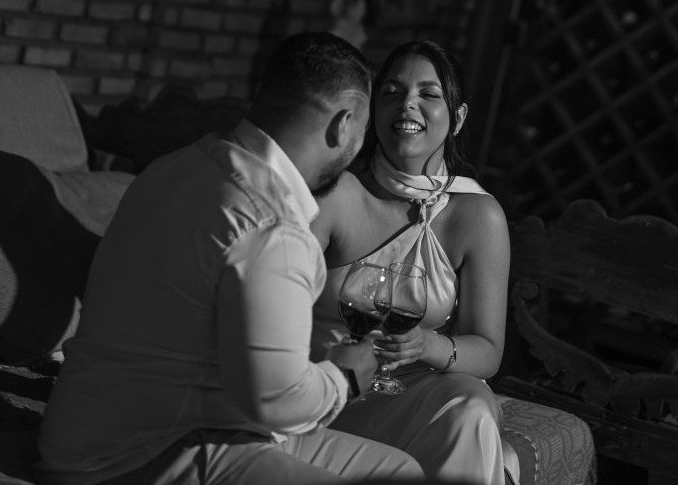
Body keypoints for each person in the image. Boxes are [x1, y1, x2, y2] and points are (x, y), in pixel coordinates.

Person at [36, 32, 423, 485]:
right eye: (363, 130)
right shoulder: (273, 226)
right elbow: (276, 399)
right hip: (142, 452)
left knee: (401, 471)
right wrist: (346, 376)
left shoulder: (173, 167)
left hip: (98, 427)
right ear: (344, 123)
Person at [310, 40, 520, 484]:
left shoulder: (476, 215)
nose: (407, 103)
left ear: (457, 118)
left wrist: (428, 346)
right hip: (326, 381)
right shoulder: (337, 194)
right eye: (392, 91)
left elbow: (488, 350)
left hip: (411, 390)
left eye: (428, 94)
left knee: (469, 406)